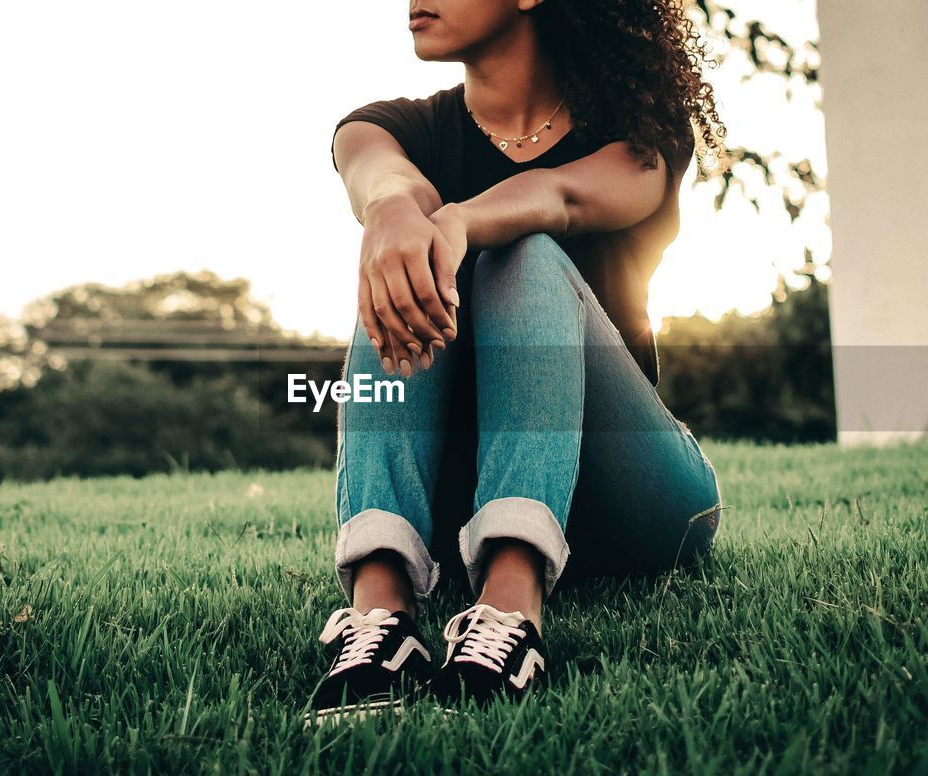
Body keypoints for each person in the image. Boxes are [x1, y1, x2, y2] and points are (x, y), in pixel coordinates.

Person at [306, 0, 730, 724]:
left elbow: (559, 196)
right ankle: (382, 619)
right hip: (459, 503)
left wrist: (458, 220)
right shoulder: (386, 125)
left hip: (636, 496)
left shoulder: (643, 130)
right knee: (402, 273)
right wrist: (395, 211)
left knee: (526, 250)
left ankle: (511, 610)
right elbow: (378, 172)